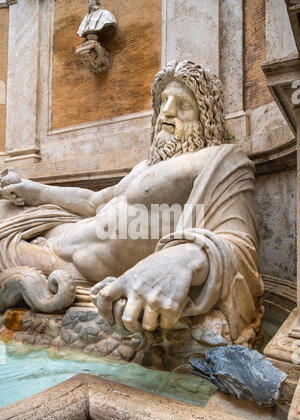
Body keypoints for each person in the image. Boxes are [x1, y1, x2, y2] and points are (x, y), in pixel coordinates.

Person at [0, 61, 263, 347]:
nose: (167, 111)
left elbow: (240, 242)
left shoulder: (218, 160)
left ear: (205, 114)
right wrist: (34, 191)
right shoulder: (144, 166)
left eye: (182, 104)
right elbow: (92, 201)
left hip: (68, 269)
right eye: (163, 101)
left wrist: (184, 258)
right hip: (57, 235)